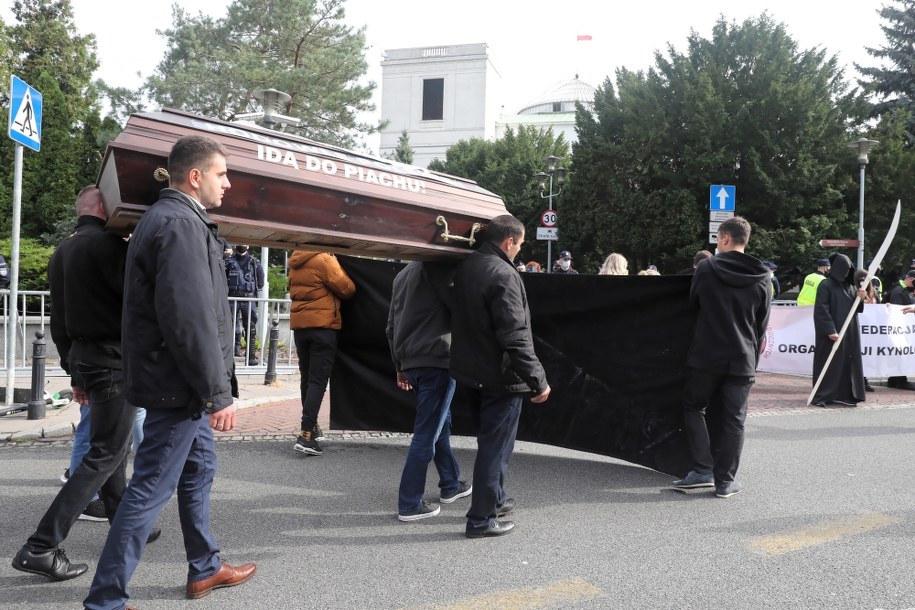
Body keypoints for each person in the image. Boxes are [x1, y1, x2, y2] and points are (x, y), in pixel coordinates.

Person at [83, 135, 256, 609]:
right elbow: (189, 319)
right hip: (179, 387)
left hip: (182, 386)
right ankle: (105, 599)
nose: (228, 183)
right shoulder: (178, 225)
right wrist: (217, 392)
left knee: (199, 472)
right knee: (149, 489)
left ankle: (204, 567)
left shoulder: (181, 221)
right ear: (196, 177)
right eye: (222, 174)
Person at [12, 186, 159, 582]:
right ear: (104, 208)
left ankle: (123, 523)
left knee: (109, 448)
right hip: (114, 362)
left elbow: (58, 321)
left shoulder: (63, 249)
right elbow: (141, 304)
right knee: (108, 452)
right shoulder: (111, 246)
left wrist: (75, 372)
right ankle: (40, 546)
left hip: (88, 360)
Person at [451, 214, 551, 538]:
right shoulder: (504, 275)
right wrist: (538, 379)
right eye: (520, 245)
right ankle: (481, 519)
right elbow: (515, 335)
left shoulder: (469, 266)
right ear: (510, 241)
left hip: (472, 371)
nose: (519, 250)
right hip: (500, 376)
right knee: (495, 448)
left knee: (490, 443)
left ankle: (496, 499)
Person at [673, 216, 770, 499]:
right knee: (734, 420)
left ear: (725, 239)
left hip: (706, 355)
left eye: (717, 238)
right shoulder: (763, 275)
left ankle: (702, 469)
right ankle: (726, 481)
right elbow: (761, 324)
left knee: (693, 407)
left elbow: (694, 304)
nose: (716, 243)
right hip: (742, 357)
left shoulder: (706, 268)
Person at [386, 261, 471, 522]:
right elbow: (463, 313)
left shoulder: (403, 274)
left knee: (438, 423)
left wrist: (399, 365)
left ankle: (450, 483)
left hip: (412, 360)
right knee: (427, 433)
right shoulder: (445, 270)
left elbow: (391, 325)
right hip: (438, 358)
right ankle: (409, 503)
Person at [287, 249, 356, 456]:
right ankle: (306, 434)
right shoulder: (325, 259)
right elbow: (347, 289)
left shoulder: (295, 260)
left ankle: (313, 428)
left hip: (300, 328)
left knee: (307, 379)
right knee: (317, 381)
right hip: (322, 327)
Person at [810, 253, 868, 407]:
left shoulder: (850, 286)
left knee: (846, 364)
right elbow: (821, 310)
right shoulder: (826, 285)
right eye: (845, 269)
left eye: (850, 270)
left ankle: (846, 394)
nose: (848, 273)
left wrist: (860, 298)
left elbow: (856, 309)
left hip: (849, 332)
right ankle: (822, 395)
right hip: (833, 332)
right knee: (829, 364)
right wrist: (830, 330)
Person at [225, 243, 265, 365]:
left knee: (250, 328)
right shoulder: (228, 262)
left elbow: (260, 281)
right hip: (232, 298)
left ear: (248, 246)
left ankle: (251, 357)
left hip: (248, 299)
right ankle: (228, 357)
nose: (241, 245)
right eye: (239, 244)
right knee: (228, 327)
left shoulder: (254, 262)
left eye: (243, 243)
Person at [887, 270, 915, 390]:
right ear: (910, 279)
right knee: (900, 352)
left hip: (905, 329)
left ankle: (895, 380)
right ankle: (899, 380)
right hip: (900, 328)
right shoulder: (898, 291)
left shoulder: (906, 291)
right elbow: (896, 311)